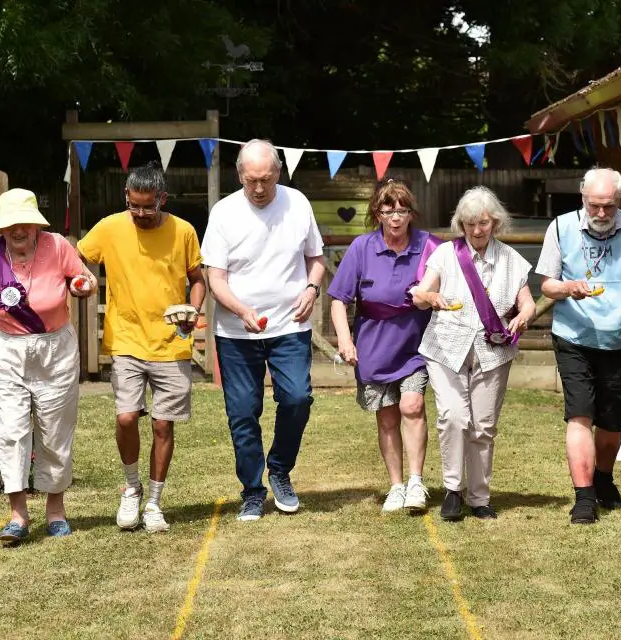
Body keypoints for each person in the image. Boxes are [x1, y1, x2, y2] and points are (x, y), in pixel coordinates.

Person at [0, 188, 96, 544]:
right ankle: (18, 515)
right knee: (10, 431)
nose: (18, 230)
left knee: (55, 431)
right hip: (7, 350)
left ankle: (55, 510)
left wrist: (84, 285)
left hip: (55, 350)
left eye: (25, 223)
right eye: (11, 224)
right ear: (1, 228)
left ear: (36, 224)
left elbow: (84, 280)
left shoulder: (57, 246)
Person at [78, 162, 206, 533]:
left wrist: (192, 310)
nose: (141, 213)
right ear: (127, 198)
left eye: (148, 206)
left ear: (162, 199)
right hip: (126, 339)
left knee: (164, 425)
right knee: (126, 417)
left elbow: (198, 280)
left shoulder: (183, 231)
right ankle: (130, 488)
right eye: (134, 205)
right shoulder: (109, 227)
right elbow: (79, 257)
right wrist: (83, 279)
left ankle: (153, 501)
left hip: (170, 344)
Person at [201, 139, 325, 522]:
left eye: (266, 180)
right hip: (236, 331)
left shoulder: (298, 203)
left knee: (297, 399)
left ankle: (281, 470)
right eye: (251, 180)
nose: (258, 188)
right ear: (239, 175)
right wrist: (240, 309)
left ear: (278, 174)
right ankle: (252, 490)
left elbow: (316, 259)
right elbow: (215, 278)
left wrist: (311, 288)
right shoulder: (224, 213)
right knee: (242, 411)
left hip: (290, 324)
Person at [536, 167, 621, 525]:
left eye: (609, 206)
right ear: (583, 199)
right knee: (580, 414)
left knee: (612, 421)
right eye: (594, 206)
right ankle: (583, 498)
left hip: (620, 338)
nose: (601, 214)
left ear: (619, 202)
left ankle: (604, 480)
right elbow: (547, 284)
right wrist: (567, 287)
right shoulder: (561, 227)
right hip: (574, 336)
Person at [413, 186, 536, 521]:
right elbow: (421, 293)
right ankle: (453, 489)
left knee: (483, 425)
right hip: (445, 348)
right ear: (461, 225)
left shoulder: (511, 260)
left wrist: (525, 314)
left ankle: (479, 497)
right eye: (470, 224)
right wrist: (430, 298)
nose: (477, 230)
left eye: (483, 223)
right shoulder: (445, 255)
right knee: (454, 417)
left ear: (495, 222)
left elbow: (527, 301)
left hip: (493, 351)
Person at [328, 178, 439, 513]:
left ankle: (417, 482)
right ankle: (396, 485)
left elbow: (458, 279)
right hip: (373, 349)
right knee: (387, 418)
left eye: (402, 210)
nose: (396, 217)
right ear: (377, 213)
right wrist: (345, 340)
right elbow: (337, 300)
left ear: (411, 213)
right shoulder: (361, 247)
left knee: (412, 406)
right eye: (388, 210)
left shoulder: (429, 246)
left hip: (416, 347)